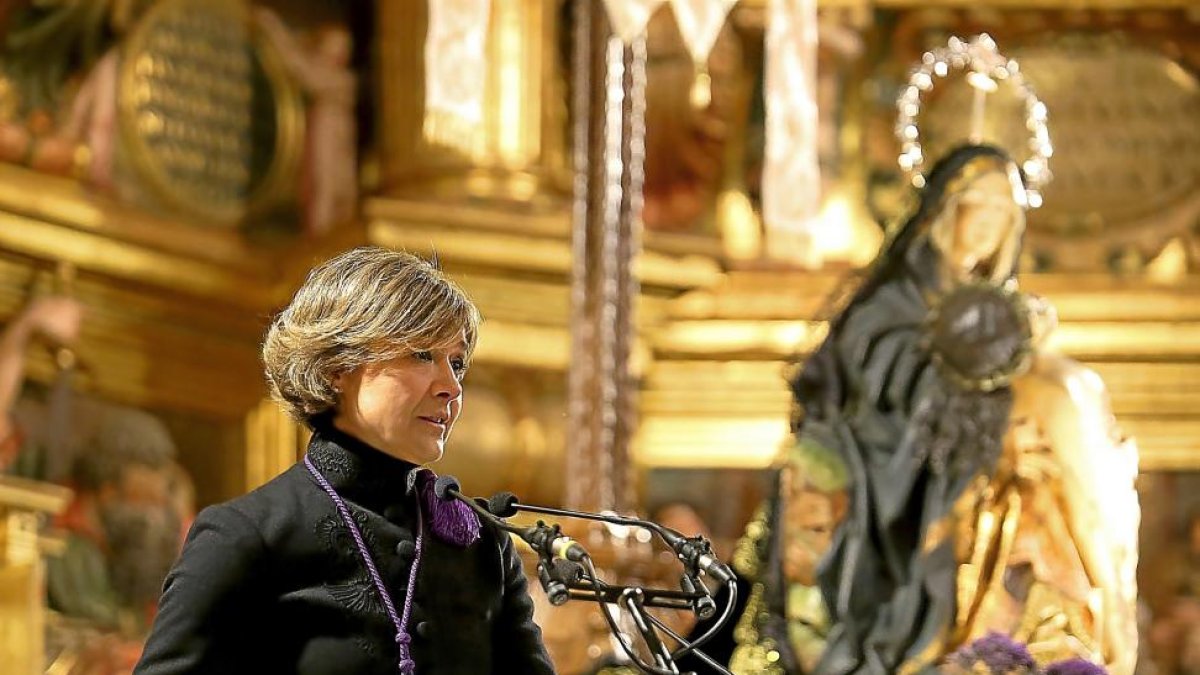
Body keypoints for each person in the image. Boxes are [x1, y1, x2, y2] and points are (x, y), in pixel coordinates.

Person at [726, 144, 1137, 674]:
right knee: (1056, 396)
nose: (988, 223)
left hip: (964, 450)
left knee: (1066, 401)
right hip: (895, 461)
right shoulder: (890, 304)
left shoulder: (988, 302)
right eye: (979, 205)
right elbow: (879, 395)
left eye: (1002, 211)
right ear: (946, 209)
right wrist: (982, 418)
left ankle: (1103, 612)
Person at [135, 247, 555, 674]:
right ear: (338, 365)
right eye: (422, 355)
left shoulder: (484, 546)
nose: (452, 386)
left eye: (458, 363)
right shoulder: (246, 535)